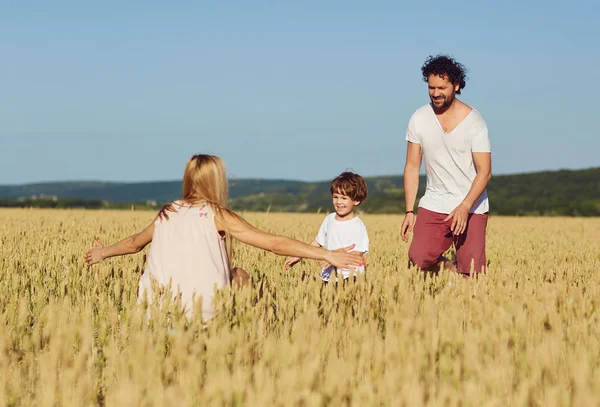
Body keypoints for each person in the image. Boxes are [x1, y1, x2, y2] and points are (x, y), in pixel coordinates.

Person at [84, 154, 365, 321]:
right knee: (240, 275)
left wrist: (102, 252)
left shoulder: (166, 212)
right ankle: (260, 329)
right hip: (203, 312)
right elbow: (274, 244)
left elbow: (134, 244)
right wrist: (327, 254)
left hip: (155, 311)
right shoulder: (216, 214)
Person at [401, 55, 492, 276]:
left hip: (471, 206)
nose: (435, 93)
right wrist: (409, 210)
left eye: (442, 87)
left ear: (457, 85)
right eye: (431, 87)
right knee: (418, 259)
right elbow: (412, 166)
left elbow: (485, 172)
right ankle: (447, 267)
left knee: (472, 274)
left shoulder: (475, 122)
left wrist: (464, 206)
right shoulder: (419, 118)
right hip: (434, 202)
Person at [284, 171, 369, 283]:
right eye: (335, 197)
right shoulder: (329, 219)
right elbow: (317, 242)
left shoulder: (358, 225)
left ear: (356, 200)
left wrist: (332, 258)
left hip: (351, 276)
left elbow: (358, 253)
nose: (338, 202)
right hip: (329, 276)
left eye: (344, 198)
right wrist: (299, 255)